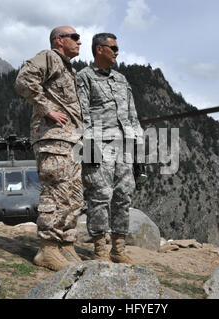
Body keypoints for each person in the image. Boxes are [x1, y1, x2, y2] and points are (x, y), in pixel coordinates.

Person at [14, 26, 84, 271]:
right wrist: (46, 108)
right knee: (55, 192)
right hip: (52, 138)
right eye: (74, 37)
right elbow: (24, 80)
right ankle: (47, 249)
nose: (79, 41)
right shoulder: (49, 56)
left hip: (72, 141)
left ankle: (65, 244)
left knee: (73, 196)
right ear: (59, 40)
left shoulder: (68, 69)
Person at [76, 33, 143, 264]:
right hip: (98, 145)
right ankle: (100, 250)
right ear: (99, 49)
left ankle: (118, 249)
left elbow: (132, 114)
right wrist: (89, 147)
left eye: (117, 48)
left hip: (124, 146)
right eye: (113, 48)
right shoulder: (84, 77)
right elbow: (82, 115)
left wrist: (138, 147)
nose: (117, 52)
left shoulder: (122, 79)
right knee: (100, 196)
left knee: (124, 196)